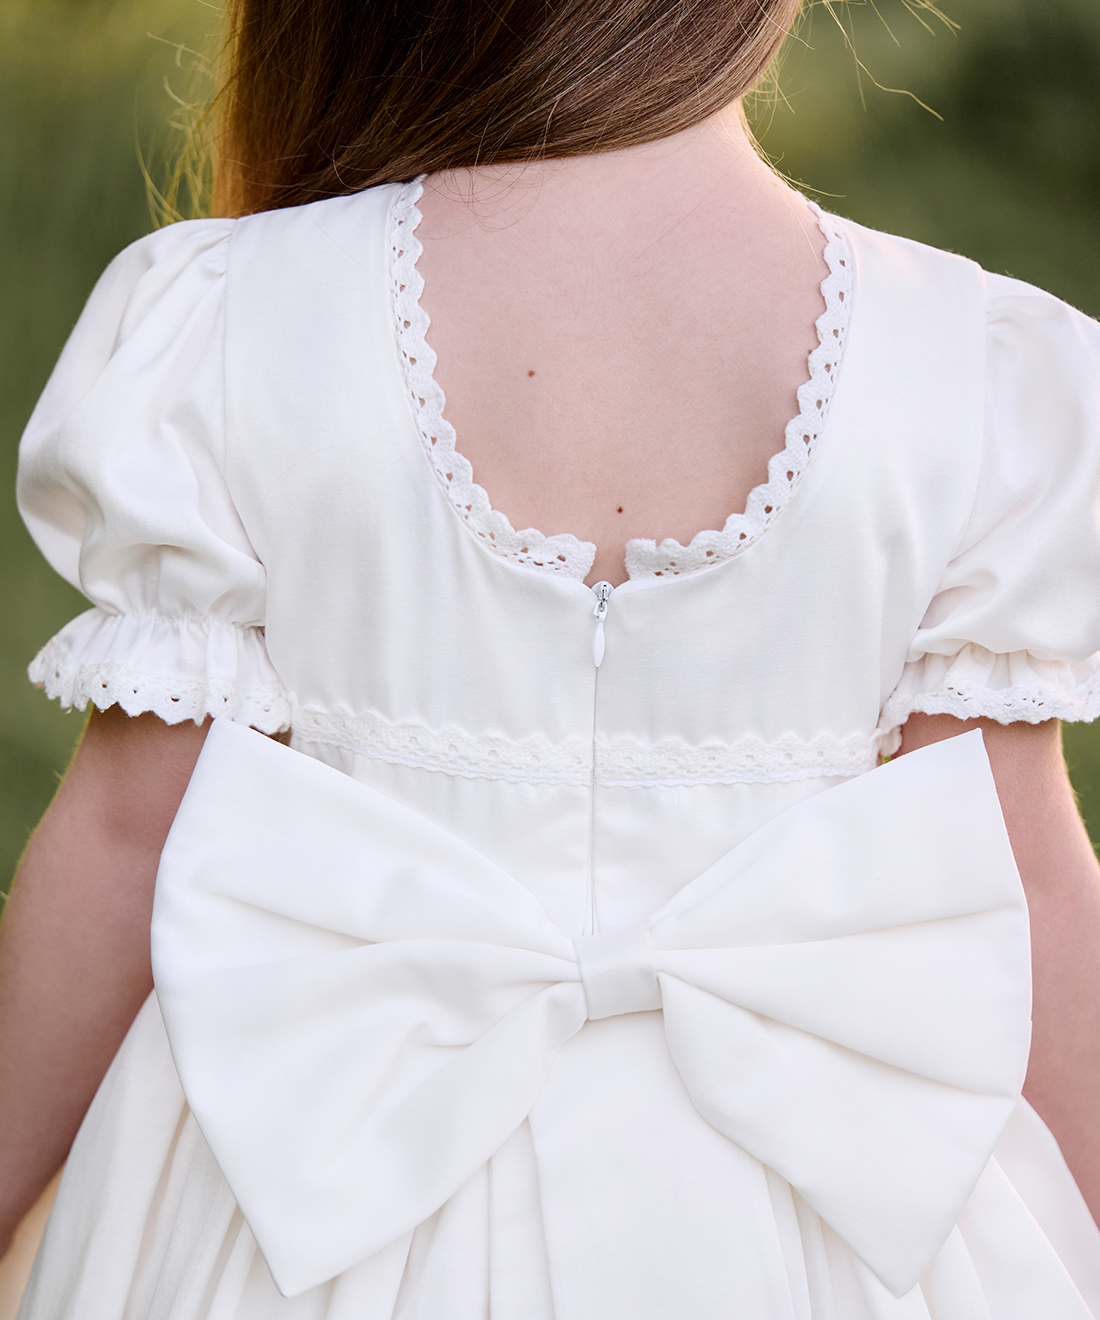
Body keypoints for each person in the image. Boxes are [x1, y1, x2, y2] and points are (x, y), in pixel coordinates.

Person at [3, 0, 1100, 1314]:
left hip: (311, 1196)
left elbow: (130, 838)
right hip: (844, 1228)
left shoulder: (231, 320)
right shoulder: (975, 367)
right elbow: (1025, 879)